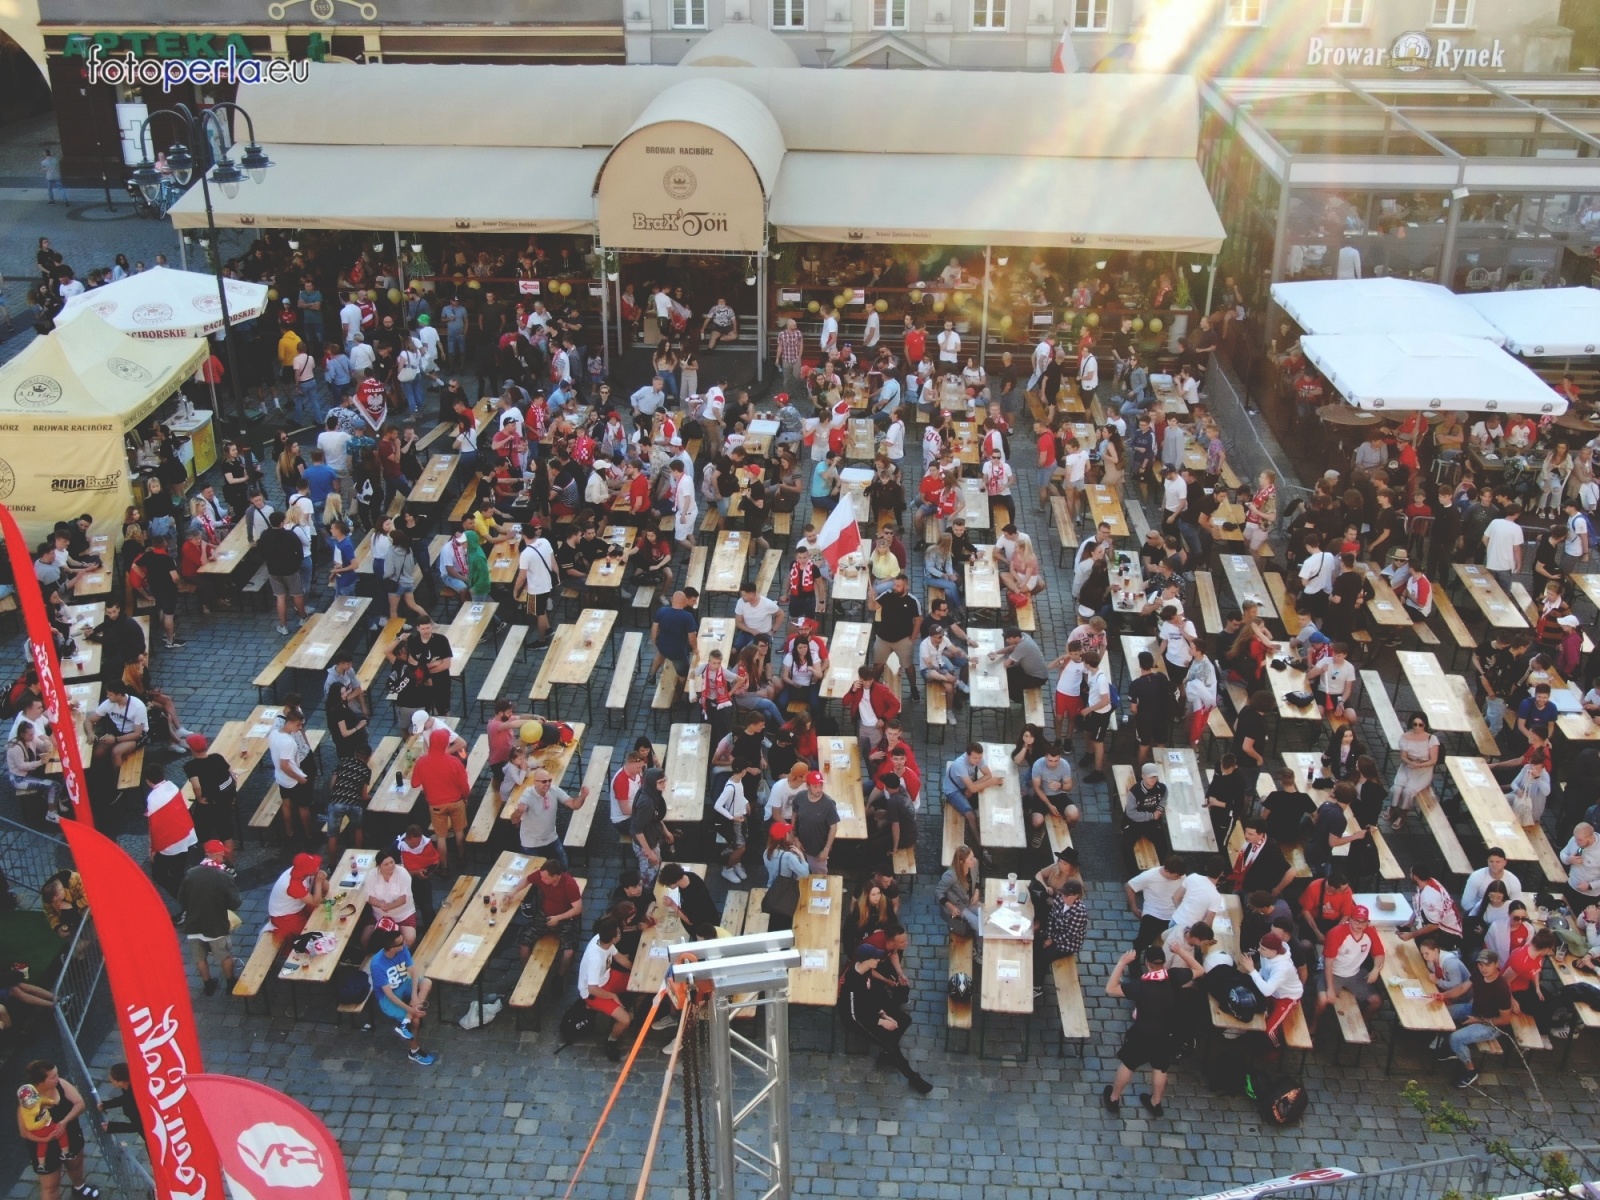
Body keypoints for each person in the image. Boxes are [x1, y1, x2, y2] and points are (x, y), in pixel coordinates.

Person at [1103, 941, 1206, 1118]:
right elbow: (1199, 970)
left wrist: (1121, 963)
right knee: (1160, 1067)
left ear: (1147, 963)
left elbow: (1110, 989)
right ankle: (1155, 1102)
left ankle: (1114, 1098)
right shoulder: (1174, 976)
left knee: (1128, 1064)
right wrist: (1180, 951)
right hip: (1167, 1033)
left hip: (1143, 1033)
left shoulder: (1140, 985)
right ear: (1163, 962)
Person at [837, 944, 933, 1094]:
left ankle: (888, 1052)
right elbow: (853, 1015)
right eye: (875, 957)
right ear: (865, 960)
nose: (878, 959)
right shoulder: (852, 980)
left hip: (870, 1013)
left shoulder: (866, 970)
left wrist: (883, 1013)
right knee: (890, 1044)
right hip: (857, 1021)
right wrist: (880, 1022)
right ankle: (913, 1077)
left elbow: (871, 996)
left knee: (903, 1020)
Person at [17, 1060, 98, 1200]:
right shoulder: (28, 1101)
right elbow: (24, 1132)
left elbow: (80, 1104)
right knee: (50, 1186)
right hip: (45, 1145)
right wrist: (45, 1139)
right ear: (41, 1082)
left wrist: (64, 1122)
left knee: (76, 1164)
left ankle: (79, 1187)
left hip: (70, 1134)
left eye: (57, 1074)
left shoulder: (60, 1084)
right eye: (53, 1076)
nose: (58, 1078)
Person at [1445, 949, 1515, 1088]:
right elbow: (1463, 988)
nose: (1483, 968)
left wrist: (1477, 1020)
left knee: (1456, 1038)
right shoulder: (1478, 973)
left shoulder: (1501, 989)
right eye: (1481, 965)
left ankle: (1470, 1070)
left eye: (1487, 965)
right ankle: (1448, 1048)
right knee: (1444, 1012)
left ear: (1496, 965)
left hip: (1492, 1026)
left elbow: (1505, 1020)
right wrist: (1443, 996)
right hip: (1475, 1010)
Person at [178, 842, 240, 997]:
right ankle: (230, 983)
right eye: (221, 854)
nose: (223, 856)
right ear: (216, 855)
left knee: (200, 958)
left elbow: (181, 898)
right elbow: (235, 902)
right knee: (224, 956)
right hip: (216, 925)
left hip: (193, 924)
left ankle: (208, 985)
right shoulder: (223, 876)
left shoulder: (191, 873)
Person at [368, 926, 436, 1066]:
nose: (404, 943)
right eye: (400, 943)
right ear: (392, 949)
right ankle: (414, 1051)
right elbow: (389, 994)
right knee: (415, 1020)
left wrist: (414, 996)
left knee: (427, 982)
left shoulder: (402, 949)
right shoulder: (377, 965)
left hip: (403, 984)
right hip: (387, 998)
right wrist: (411, 1010)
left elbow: (413, 972)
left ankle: (404, 1023)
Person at [411, 726, 470, 870]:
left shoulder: (422, 762)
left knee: (441, 837)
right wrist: (465, 797)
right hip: (456, 802)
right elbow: (464, 785)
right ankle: (462, 858)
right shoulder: (454, 762)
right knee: (459, 831)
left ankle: (444, 867)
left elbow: (414, 783)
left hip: (436, 805)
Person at [511, 764, 588, 869]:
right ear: (535, 782)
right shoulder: (527, 796)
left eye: (549, 780)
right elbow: (514, 821)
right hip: (532, 843)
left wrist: (583, 796)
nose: (547, 784)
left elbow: (574, 804)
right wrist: (519, 812)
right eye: (544, 781)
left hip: (551, 838)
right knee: (537, 874)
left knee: (563, 867)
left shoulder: (553, 790)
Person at [1125, 854, 1185, 951]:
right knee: (1143, 941)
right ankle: (1134, 959)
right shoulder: (1149, 876)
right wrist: (1134, 908)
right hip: (1153, 914)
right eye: (1176, 876)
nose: (1179, 878)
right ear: (1167, 871)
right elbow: (1129, 886)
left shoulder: (1181, 876)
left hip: (1172, 916)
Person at [266, 852, 326, 941]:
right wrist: (318, 882)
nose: (317, 868)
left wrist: (322, 879)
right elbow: (316, 902)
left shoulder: (302, 871)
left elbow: (326, 889)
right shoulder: (293, 885)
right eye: (314, 867)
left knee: (323, 912)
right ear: (307, 871)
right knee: (307, 935)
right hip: (284, 916)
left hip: (298, 906)